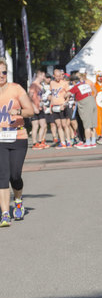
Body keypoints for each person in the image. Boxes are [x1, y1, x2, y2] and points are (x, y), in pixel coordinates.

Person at [0, 57, 34, 226]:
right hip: (0, 139)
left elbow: (31, 111)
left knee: (15, 176)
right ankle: (5, 214)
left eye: (4, 72)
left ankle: (18, 200)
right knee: (2, 176)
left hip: (18, 137)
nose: (1, 75)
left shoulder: (16, 89)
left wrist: (18, 110)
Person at [68, 73, 98, 149]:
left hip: (85, 104)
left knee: (87, 125)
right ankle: (93, 142)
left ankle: (87, 143)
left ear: (74, 82)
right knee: (92, 125)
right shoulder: (86, 84)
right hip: (92, 102)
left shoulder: (76, 86)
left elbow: (67, 93)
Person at [49, 68, 71, 148]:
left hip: (62, 105)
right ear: (54, 76)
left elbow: (68, 94)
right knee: (58, 125)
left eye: (59, 76)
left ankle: (68, 141)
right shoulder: (52, 83)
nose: (58, 78)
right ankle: (62, 142)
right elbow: (52, 95)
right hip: (55, 106)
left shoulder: (64, 83)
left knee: (64, 125)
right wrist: (50, 106)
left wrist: (65, 104)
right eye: (56, 76)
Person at [28, 69, 49, 149]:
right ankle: (34, 143)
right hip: (34, 109)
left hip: (40, 108)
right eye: (43, 75)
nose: (44, 77)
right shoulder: (33, 85)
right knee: (35, 126)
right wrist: (34, 107)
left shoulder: (40, 85)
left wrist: (42, 105)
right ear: (39, 75)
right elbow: (29, 98)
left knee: (44, 125)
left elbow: (40, 97)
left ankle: (40, 141)